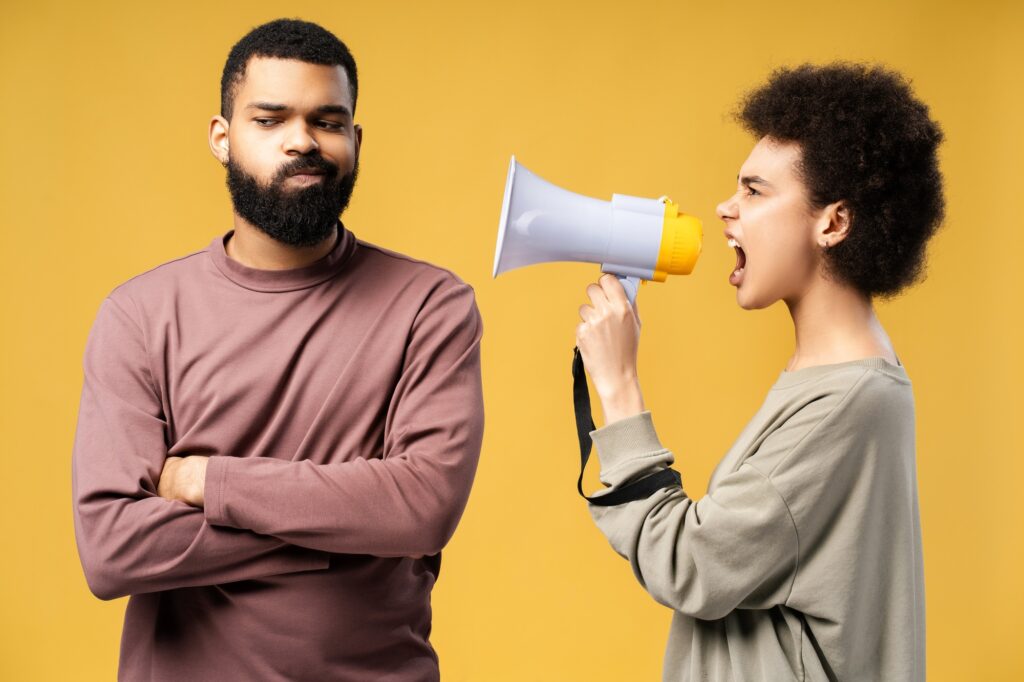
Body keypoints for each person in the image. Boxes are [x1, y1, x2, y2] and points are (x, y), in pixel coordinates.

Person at [71, 18, 484, 681]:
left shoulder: (429, 305)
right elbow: (112, 550)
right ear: (222, 137)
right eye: (270, 120)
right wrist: (342, 537)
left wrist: (212, 481)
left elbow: (423, 504)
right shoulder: (138, 316)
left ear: (354, 139)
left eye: (327, 120)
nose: (302, 141)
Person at [574, 62, 943, 681]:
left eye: (754, 191)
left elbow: (691, 565)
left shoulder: (847, 401)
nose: (725, 208)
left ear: (834, 223)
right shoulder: (836, 377)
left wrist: (618, 388)